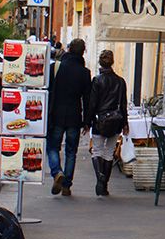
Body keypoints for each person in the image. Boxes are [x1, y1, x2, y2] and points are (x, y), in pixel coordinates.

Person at [47, 38, 91, 197]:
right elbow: (87, 99)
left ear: (69, 49)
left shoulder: (55, 67)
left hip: (56, 115)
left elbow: (48, 91)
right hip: (74, 116)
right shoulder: (84, 72)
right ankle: (66, 186)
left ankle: (57, 172)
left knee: (52, 147)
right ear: (82, 52)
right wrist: (87, 121)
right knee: (71, 152)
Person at [86, 49, 128, 196]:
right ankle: (104, 186)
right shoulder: (120, 81)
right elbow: (123, 104)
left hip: (100, 120)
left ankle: (100, 178)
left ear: (100, 62)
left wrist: (87, 121)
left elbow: (92, 103)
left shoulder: (97, 80)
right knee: (109, 152)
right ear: (113, 62)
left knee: (97, 150)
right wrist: (125, 123)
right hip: (116, 120)